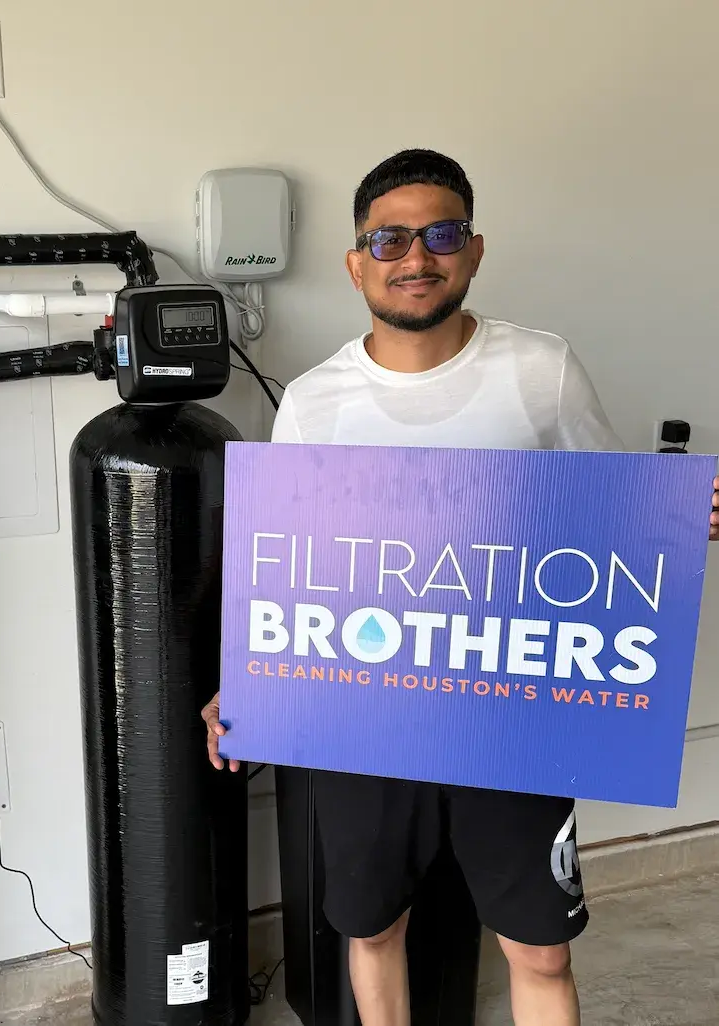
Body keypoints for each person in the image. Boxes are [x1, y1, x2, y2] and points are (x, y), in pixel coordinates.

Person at [202, 149, 719, 1026]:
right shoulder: (316, 402)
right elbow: (287, 567)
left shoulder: (540, 369)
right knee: (372, 933)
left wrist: (676, 516)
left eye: (440, 233)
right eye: (390, 237)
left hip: (509, 710)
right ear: (357, 261)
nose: (416, 255)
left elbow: (606, 509)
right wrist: (247, 684)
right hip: (368, 713)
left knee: (541, 950)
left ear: (473, 250)